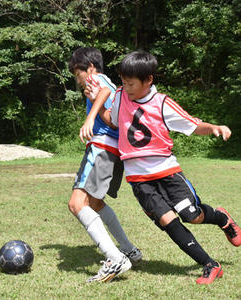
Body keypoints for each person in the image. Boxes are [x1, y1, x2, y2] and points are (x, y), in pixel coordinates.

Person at [81, 50, 241, 285]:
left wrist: (215, 127)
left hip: (167, 173)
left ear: (148, 80)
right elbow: (112, 120)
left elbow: (192, 125)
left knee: (192, 216)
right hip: (138, 179)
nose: (127, 87)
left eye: (131, 83)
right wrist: (97, 100)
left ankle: (222, 219)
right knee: (167, 221)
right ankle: (210, 264)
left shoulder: (162, 103)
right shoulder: (120, 95)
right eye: (123, 82)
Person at [68, 47, 142, 283]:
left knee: (76, 203)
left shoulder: (96, 78)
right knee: (97, 203)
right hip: (113, 150)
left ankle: (115, 258)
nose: (78, 80)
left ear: (89, 68)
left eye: (76, 74)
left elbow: (103, 91)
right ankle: (129, 249)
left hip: (101, 148)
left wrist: (89, 118)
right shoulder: (106, 82)